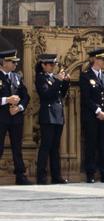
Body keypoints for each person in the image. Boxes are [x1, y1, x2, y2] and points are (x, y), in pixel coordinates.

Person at [79, 48, 104, 183]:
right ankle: (90, 174)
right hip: (92, 117)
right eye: (101, 59)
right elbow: (86, 98)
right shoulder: (85, 76)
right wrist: (97, 111)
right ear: (94, 59)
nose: (103, 61)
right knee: (91, 144)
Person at [33, 53, 67, 185]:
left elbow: (60, 95)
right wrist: (58, 81)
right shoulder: (41, 78)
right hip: (47, 115)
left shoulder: (53, 78)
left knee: (55, 147)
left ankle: (56, 175)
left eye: (54, 64)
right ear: (43, 65)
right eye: (51, 64)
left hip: (57, 115)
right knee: (45, 146)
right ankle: (41, 177)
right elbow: (46, 94)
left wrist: (65, 82)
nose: (53, 67)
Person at [0, 48, 28, 184]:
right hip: (2, 117)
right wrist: (6, 100)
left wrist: (19, 107)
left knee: (17, 147)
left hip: (15, 117)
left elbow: (25, 96)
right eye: (13, 62)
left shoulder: (17, 77)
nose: (15, 65)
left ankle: (20, 175)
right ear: (4, 62)